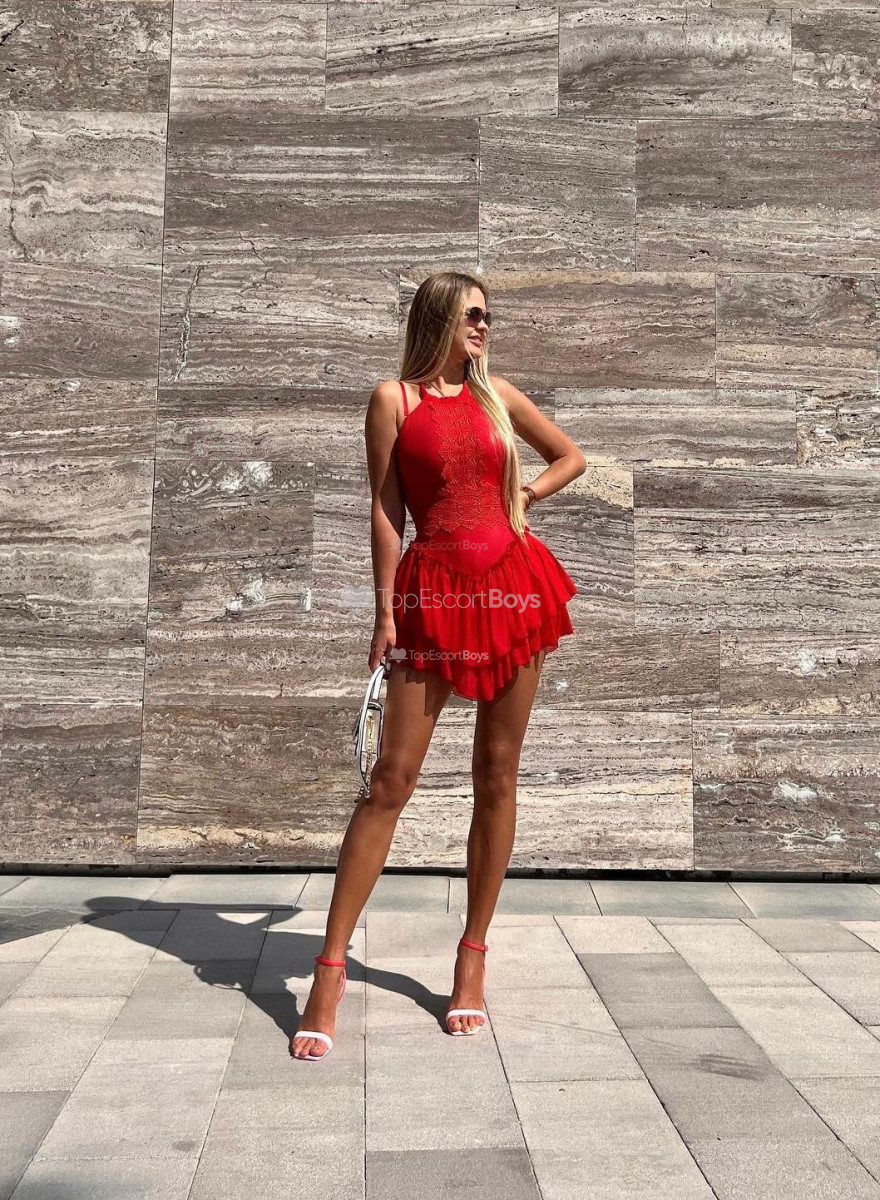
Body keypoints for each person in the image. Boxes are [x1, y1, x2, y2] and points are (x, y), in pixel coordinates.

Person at [291, 270, 586, 1060]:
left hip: (516, 590)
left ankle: (472, 960)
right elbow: (387, 509)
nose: (485, 327)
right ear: (439, 320)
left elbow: (571, 457)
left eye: (489, 317)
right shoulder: (393, 399)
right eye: (473, 316)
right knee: (391, 780)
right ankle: (329, 969)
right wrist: (385, 611)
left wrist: (525, 502)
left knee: (498, 773)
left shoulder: (498, 397)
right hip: (432, 597)